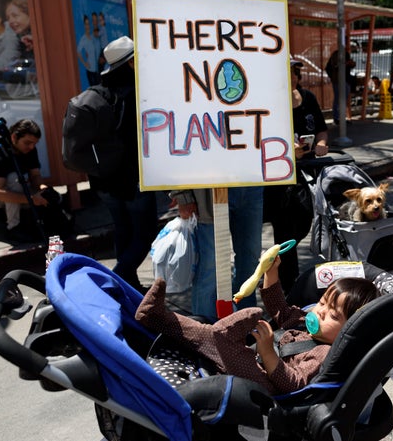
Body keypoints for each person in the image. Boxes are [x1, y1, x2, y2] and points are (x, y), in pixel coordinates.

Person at [135, 255, 380, 395]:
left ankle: (221, 337)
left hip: (266, 387)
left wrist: (267, 353)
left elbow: (294, 383)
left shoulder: (324, 353)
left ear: (351, 330)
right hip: (256, 360)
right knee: (205, 332)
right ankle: (155, 316)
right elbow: (280, 308)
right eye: (323, 302)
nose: (321, 312)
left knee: (220, 340)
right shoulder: (306, 322)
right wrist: (271, 272)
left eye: (333, 315)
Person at [90, 36, 157, 293]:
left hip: (104, 179)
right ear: (130, 63)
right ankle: (115, 279)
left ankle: (127, 282)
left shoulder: (101, 90)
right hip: (132, 178)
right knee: (145, 233)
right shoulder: (136, 93)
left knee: (123, 229)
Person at [264, 59, 328, 291]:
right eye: (287, 73)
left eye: (294, 73)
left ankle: (282, 275)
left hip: (306, 175)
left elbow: (321, 128)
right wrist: (289, 150)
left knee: (303, 222)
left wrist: (321, 143)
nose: (292, 77)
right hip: (279, 179)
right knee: (285, 233)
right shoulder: (270, 102)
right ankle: (286, 286)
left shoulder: (308, 98)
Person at [168, 185, 264, 317]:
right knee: (209, 267)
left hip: (250, 184)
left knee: (250, 259)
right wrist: (182, 195)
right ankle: (204, 329)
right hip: (208, 190)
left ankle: (246, 322)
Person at [0, 118, 48, 241]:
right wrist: (32, 199)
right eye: (27, 143)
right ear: (14, 138)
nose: (31, 147)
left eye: (34, 143)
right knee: (14, 178)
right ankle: (14, 228)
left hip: (5, 192)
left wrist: (42, 190)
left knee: (43, 193)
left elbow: (35, 176)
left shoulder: (30, 150)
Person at [326, 47, 356, 124]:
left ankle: (341, 117)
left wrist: (350, 64)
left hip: (345, 80)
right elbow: (333, 66)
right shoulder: (336, 55)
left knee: (343, 99)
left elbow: (351, 65)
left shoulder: (345, 54)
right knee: (338, 99)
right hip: (338, 80)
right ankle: (337, 118)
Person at [77, 14, 100, 86]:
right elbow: (78, 51)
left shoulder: (93, 36)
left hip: (97, 69)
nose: (88, 26)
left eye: (89, 24)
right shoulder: (83, 39)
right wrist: (85, 63)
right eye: (86, 24)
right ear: (84, 26)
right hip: (90, 70)